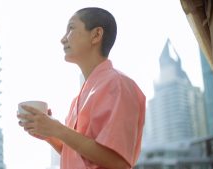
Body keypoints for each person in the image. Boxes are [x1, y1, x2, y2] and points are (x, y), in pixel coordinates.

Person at [17, 7, 146, 169]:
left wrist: (58, 129)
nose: (62, 39)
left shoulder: (118, 84)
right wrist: (49, 133)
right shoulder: (77, 99)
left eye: (71, 28)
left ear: (96, 35)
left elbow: (118, 163)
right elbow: (79, 154)